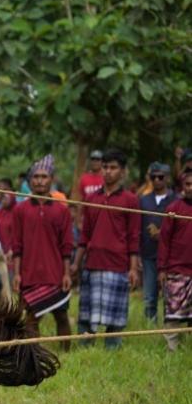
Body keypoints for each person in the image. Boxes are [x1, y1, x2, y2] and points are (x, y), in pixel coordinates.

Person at [71, 149, 140, 349]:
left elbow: (134, 236)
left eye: (113, 168)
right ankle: (83, 349)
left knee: (115, 317)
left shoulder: (130, 200)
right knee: (86, 314)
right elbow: (85, 235)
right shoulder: (92, 199)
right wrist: (76, 263)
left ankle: (113, 349)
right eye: (106, 167)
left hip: (118, 265)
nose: (108, 171)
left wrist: (133, 268)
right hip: (92, 263)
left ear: (123, 171)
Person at [12, 156, 74, 349]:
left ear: (51, 179)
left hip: (55, 272)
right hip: (29, 272)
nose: (39, 180)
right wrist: (16, 274)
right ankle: (35, 354)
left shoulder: (61, 210)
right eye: (36, 176)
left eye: (44, 176)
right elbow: (17, 245)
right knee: (32, 317)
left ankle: (67, 352)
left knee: (61, 315)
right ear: (30, 181)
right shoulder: (20, 210)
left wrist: (66, 273)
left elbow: (66, 245)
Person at [157, 171, 192, 351]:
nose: (191, 188)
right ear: (182, 187)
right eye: (188, 184)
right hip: (177, 269)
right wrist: (162, 269)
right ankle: (172, 348)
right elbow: (164, 241)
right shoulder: (173, 209)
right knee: (173, 312)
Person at [139, 162, 176, 323]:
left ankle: (169, 330)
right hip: (148, 254)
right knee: (149, 297)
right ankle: (150, 330)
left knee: (170, 297)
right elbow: (137, 228)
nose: (156, 180)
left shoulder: (176, 200)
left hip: (171, 258)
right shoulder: (143, 200)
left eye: (160, 177)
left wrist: (162, 233)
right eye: (153, 177)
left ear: (167, 178)